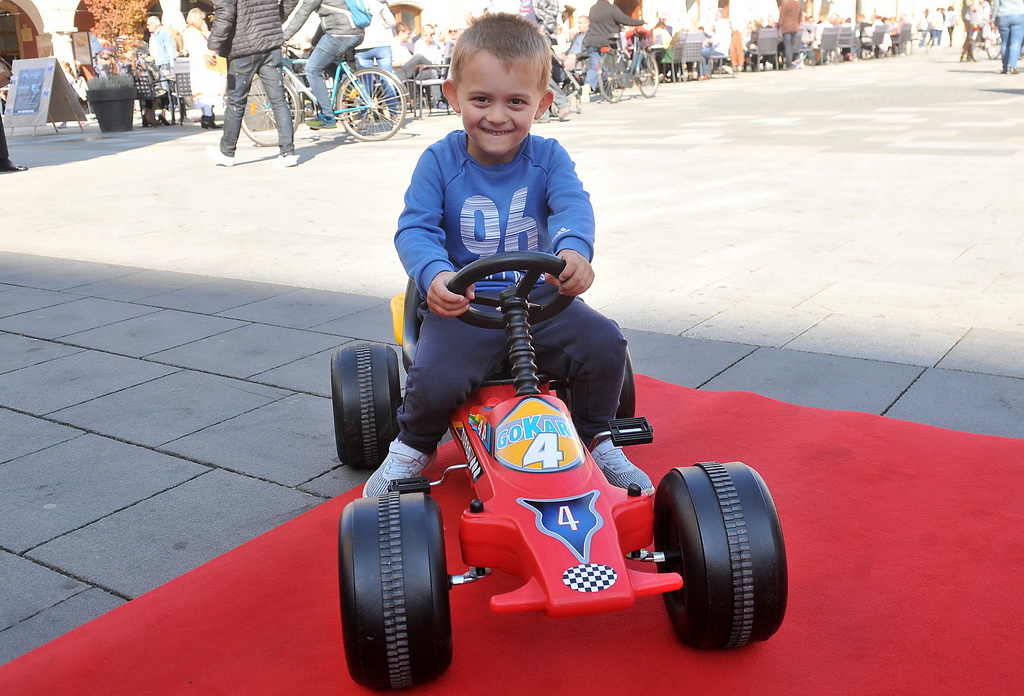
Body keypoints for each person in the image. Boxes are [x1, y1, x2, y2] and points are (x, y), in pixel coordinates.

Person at [362, 11, 652, 498]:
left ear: (541, 104)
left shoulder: (549, 157)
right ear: (453, 95)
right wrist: (436, 275)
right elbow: (416, 228)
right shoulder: (440, 161)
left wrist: (573, 251)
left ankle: (598, 436)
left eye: (515, 102)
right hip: (466, 305)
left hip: (539, 299)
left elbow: (572, 207)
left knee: (606, 343)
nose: (497, 116)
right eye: (481, 99)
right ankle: (413, 446)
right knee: (434, 375)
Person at [206, 0, 298, 167]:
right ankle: (287, 152)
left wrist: (213, 46)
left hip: (242, 48)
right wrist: (274, 19)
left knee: (235, 101)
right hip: (270, 44)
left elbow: (225, 13)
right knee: (278, 100)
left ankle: (227, 152)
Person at [283, 0, 366, 130]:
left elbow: (302, 14)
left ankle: (327, 116)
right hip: (354, 32)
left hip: (340, 33)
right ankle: (349, 84)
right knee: (322, 61)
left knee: (311, 69)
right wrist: (314, 43)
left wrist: (282, 37)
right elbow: (327, 21)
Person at [583, 0, 644, 97]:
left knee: (596, 67)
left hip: (591, 41)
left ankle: (594, 88)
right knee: (606, 68)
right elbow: (625, 20)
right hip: (606, 42)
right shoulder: (611, 8)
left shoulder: (593, 9)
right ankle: (595, 88)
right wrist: (641, 22)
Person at [183, 8, 224, 129]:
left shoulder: (194, 32)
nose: (203, 22)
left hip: (201, 65)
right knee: (206, 91)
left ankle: (208, 116)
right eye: (201, 19)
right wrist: (207, 34)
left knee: (207, 91)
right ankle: (207, 117)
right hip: (202, 65)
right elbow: (204, 47)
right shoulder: (192, 32)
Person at [147, 16, 178, 125]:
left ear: (155, 24)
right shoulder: (153, 36)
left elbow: (170, 49)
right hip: (156, 65)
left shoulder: (163, 33)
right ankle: (158, 114)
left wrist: (172, 65)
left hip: (164, 64)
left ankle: (165, 113)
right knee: (159, 89)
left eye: (148, 24)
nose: (147, 27)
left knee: (165, 89)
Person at [354, 0, 396, 73]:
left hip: (362, 44)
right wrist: (383, 27)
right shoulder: (378, 2)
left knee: (366, 76)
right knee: (386, 75)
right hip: (381, 43)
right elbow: (391, 22)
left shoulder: (354, 2)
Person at [993, 0, 1024, 72]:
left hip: (1003, 16)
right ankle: (1013, 66)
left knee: (1005, 42)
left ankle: (1005, 67)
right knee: (1016, 42)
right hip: (1018, 15)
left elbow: (996, 5)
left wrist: (994, 19)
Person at [778, 0, 802, 68]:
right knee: (792, 45)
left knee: (788, 46)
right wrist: (798, 23)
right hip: (794, 27)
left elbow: (782, 16)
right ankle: (792, 62)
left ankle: (789, 64)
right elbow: (800, 15)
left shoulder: (785, 3)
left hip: (786, 28)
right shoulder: (797, 3)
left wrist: (779, 25)